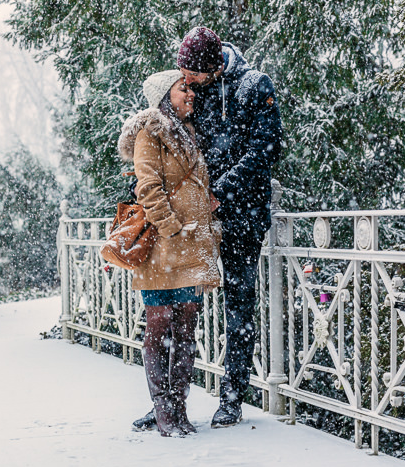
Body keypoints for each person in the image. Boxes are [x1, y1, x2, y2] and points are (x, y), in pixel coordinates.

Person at [132, 27, 283, 430]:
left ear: (213, 68)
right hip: (193, 222)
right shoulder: (194, 90)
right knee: (178, 310)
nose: (187, 82)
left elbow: (266, 149)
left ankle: (232, 397)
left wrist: (223, 191)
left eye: (191, 75)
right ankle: (167, 402)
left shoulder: (253, 86)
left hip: (241, 216)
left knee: (238, 305)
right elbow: (174, 137)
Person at [117, 69, 222, 437]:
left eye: (191, 88)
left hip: (190, 250)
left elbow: (191, 181)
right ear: (165, 95)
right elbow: (148, 188)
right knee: (160, 327)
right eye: (184, 88)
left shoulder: (189, 133)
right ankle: (164, 413)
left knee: (186, 329)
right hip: (163, 251)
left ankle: (180, 409)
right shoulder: (150, 133)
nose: (190, 94)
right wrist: (173, 228)